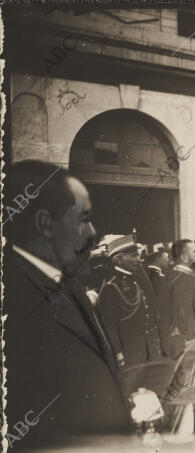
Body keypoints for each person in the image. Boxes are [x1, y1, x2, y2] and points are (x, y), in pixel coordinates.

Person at [5, 161, 130, 448]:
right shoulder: (14, 298)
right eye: (84, 219)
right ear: (45, 224)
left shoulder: (67, 281)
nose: (93, 233)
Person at [97, 235, 163, 369]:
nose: (138, 259)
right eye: (133, 256)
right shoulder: (111, 288)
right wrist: (119, 354)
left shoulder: (137, 279)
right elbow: (110, 327)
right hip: (131, 355)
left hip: (150, 349)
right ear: (119, 260)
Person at [144, 248, 175, 358]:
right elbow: (161, 301)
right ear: (158, 259)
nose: (168, 260)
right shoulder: (153, 275)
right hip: (161, 319)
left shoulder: (158, 274)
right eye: (166, 258)